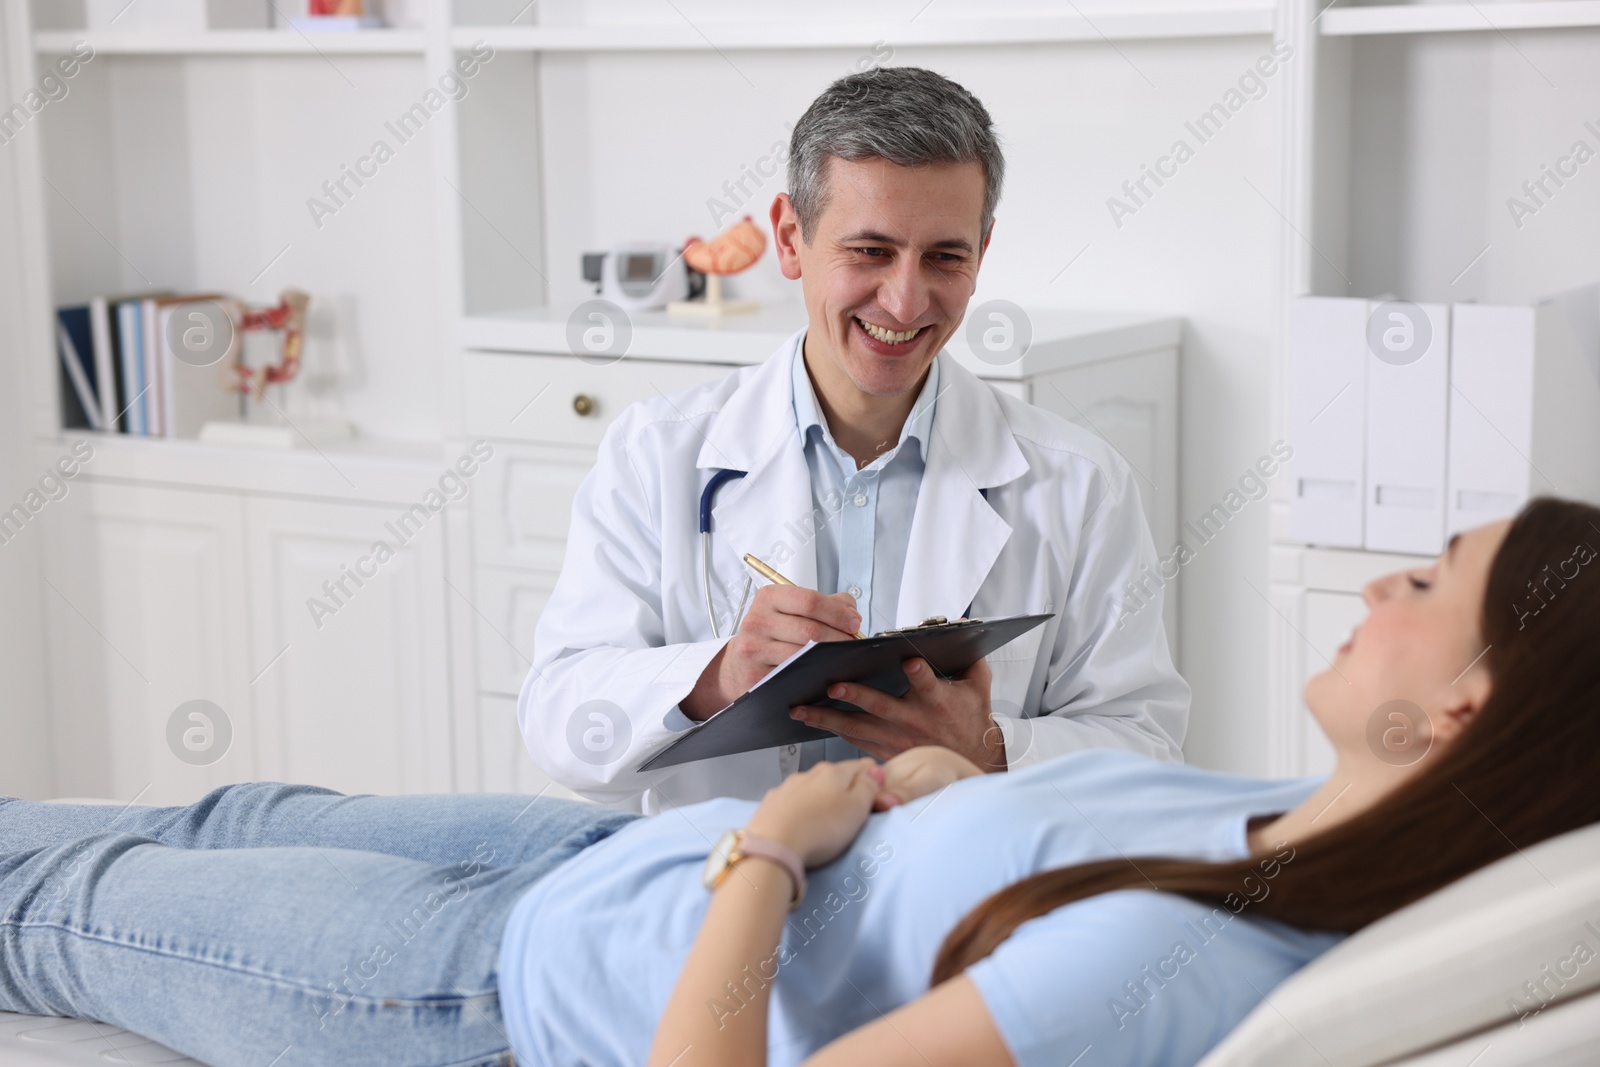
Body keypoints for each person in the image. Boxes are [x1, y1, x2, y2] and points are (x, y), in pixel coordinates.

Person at [3, 499, 1597, 1067]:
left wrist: (772, 843)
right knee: (228, 812)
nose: (1383, 580)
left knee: (55, 910)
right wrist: (970, 773)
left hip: (495, 996)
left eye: (1428, 579)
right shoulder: (1281, 813)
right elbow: (1033, 859)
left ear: (1462, 708)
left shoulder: (1166, 968)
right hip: (585, 862)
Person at [521, 66, 1189, 812]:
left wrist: (990, 750)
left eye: (945, 256)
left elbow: (1148, 747)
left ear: (983, 249)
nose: (905, 300)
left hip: (956, 902)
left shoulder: (1080, 483)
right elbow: (559, 721)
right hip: (732, 900)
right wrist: (721, 675)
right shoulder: (656, 454)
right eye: (870, 251)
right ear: (789, 238)